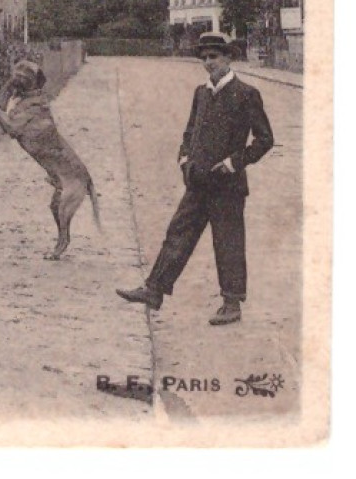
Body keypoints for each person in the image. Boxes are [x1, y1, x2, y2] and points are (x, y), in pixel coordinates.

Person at [117, 32, 274, 326]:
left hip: (227, 186)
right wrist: (184, 158)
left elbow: (265, 139)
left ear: (228, 58)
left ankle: (232, 303)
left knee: (228, 242)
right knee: (178, 233)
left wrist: (233, 163)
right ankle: (154, 290)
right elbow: (190, 132)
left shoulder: (247, 94)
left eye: (213, 57)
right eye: (203, 58)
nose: (208, 63)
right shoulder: (201, 93)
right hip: (198, 181)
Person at [0, 59, 99, 260]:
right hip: (60, 171)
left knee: (62, 210)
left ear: (37, 82)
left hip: (72, 175)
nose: (20, 74)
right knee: (55, 207)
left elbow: (12, 128)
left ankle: (62, 243)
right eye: (17, 70)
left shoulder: (36, 108)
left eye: (26, 73)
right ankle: (62, 241)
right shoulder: (28, 102)